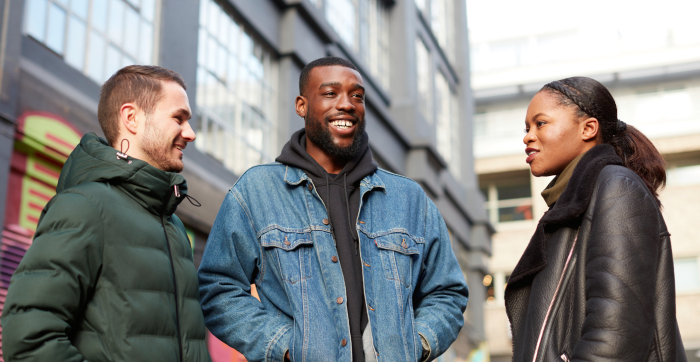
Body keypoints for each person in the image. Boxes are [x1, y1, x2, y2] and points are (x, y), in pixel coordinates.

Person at [198, 57, 468, 362]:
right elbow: (218, 288)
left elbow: (447, 292)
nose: (347, 104)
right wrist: (285, 346)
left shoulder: (409, 199)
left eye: (357, 96)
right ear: (302, 105)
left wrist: (415, 344)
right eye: (330, 94)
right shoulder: (256, 192)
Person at [2, 65, 211, 362]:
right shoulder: (84, 207)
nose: (189, 134)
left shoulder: (174, 226)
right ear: (131, 118)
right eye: (179, 118)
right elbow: (28, 339)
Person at [506, 76, 686, 362]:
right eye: (526, 128)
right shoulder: (569, 205)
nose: (528, 136)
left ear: (588, 128)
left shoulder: (616, 188)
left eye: (541, 123)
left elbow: (617, 331)